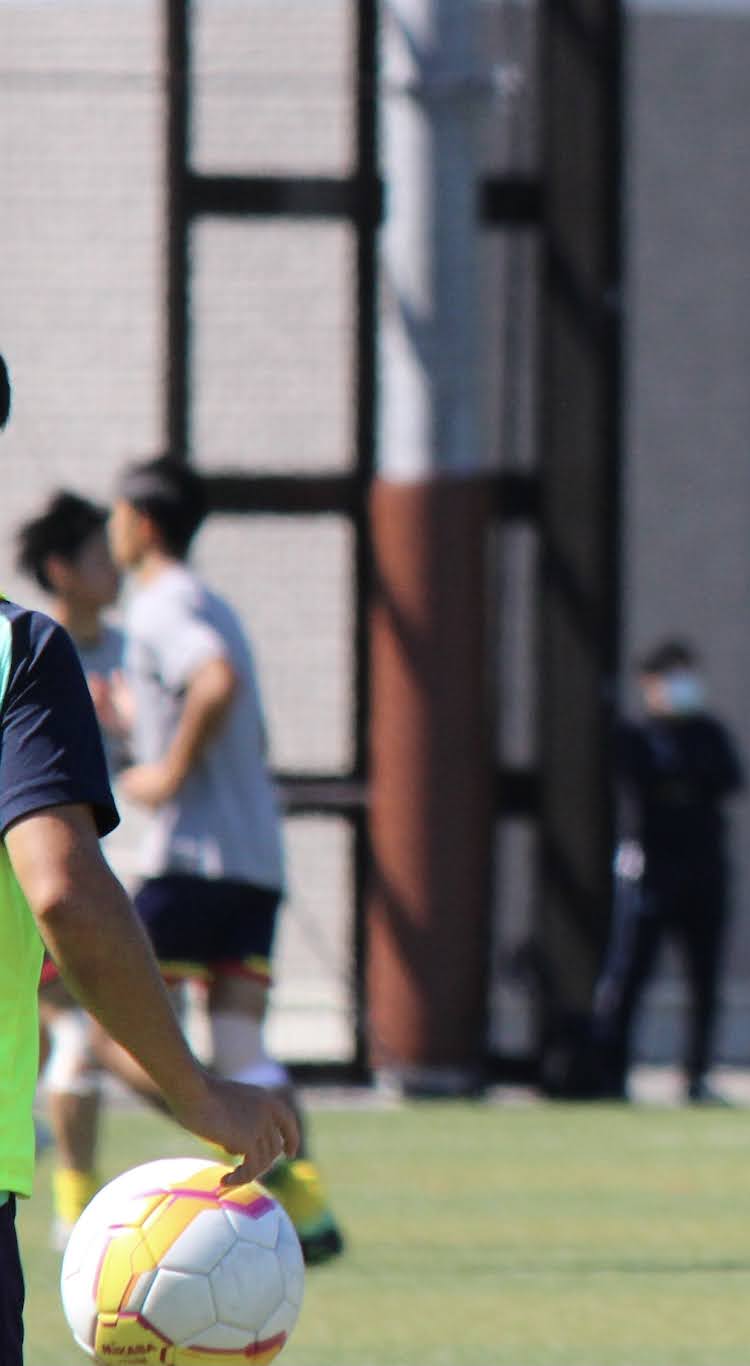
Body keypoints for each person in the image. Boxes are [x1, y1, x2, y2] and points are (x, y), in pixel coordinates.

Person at [0, 356, 298, 1366]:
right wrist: (190, 1092)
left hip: (199, 860)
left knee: (103, 1029)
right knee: (141, 1027)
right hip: (219, 863)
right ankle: (288, 1196)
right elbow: (65, 892)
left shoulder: (131, 625)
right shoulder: (22, 652)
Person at [105, 454, 343, 1263]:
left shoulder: (160, 601)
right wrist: (131, 719)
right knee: (241, 1041)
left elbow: (215, 679)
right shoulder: (212, 600)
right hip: (252, 862)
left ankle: (227, 1136)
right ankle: (306, 1207)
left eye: (116, 516)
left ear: (141, 523)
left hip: (191, 861)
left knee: (100, 1025)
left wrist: (168, 771)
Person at [15, 492, 128, 1244]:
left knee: (75, 1041)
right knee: (81, 1039)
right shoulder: (33, 655)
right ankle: (74, 1209)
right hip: (45, 885)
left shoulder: (132, 653)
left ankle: (72, 1197)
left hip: (116, 877)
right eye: (99, 556)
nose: (115, 569)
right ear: (61, 569)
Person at [588, 639, 745, 1105]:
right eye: (671, 676)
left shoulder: (708, 732)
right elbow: (639, 783)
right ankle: (611, 1073)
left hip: (704, 867)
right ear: (649, 684)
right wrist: (678, 783)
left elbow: (728, 780)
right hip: (652, 870)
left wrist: (682, 782)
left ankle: (697, 1074)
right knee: (630, 972)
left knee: (704, 978)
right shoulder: (637, 735)